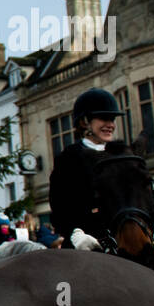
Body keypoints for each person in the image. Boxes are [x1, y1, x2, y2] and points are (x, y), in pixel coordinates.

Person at [48, 88, 120, 250]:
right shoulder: (68, 158)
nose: (110, 125)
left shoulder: (120, 154)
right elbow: (59, 205)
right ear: (84, 122)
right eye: (103, 119)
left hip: (122, 236)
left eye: (112, 119)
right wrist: (75, 233)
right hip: (85, 241)